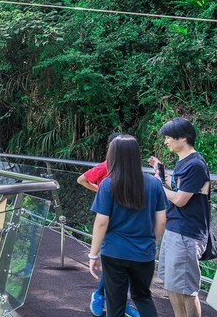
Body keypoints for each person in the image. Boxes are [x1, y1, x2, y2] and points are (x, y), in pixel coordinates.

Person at [89, 135, 167, 317]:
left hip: (114, 252)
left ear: (113, 155)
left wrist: (93, 254)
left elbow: (101, 222)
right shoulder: (154, 183)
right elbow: (162, 220)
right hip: (144, 253)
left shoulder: (108, 184)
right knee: (142, 296)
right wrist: (152, 241)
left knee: (115, 302)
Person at [149, 117, 211, 317]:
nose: (166, 141)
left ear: (182, 138)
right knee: (172, 285)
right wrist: (162, 174)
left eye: (168, 137)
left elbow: (180, 199)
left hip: (187, 233)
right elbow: (178, 188)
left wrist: (156, 185)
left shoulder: (195, 164)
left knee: (186, 290)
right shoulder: (184, 162)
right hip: (176, 229)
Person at [78, 134, 140, 317]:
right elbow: (81, 179)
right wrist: (100, 191)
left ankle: (113, 299)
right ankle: (99, 296)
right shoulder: (106, 166)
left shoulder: (131, 171)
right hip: (109, 219)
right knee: (113, 262)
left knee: (122, 263)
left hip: (125, 220)